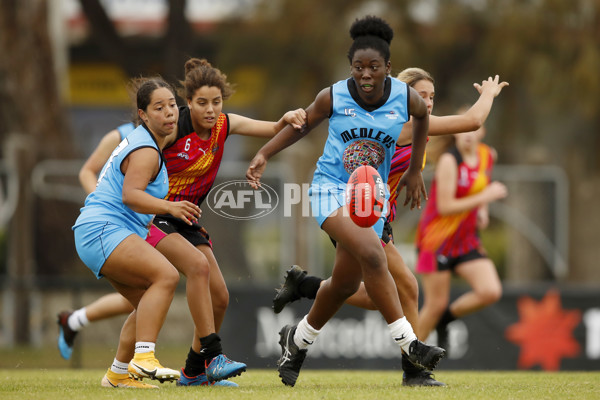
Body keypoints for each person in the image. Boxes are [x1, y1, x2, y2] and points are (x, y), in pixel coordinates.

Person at [61, 59, 307, 387]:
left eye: (216, 102)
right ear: (187, 103)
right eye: (200, 103)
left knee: (212, 296)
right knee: (187, 271)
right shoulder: (162, 135)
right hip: (156, 217)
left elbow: (274, 128)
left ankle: (169, 372)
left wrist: (286, 118)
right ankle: (205, 354)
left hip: (179, 217)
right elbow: (130, 189)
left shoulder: (217, 125)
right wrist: (167, 204)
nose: (209, 110)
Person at [270, 69, 508, 386]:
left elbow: (460, 130)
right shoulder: (400, 125)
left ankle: (300, 314)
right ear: (402, 95)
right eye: (421, 95)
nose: (428, 102)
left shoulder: (418, 127)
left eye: (432, 97)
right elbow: (472, 121)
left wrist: (415, 170)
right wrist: (488, 95)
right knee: (406, 288)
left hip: (378, 216)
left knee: (357, 291)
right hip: (356, 211)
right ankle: (414, 369)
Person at [246, 16, 445, 388]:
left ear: (389, 68)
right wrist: (265, 153)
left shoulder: (407, 98)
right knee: (373, 253)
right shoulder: (333, 95)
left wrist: (416, 169)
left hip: (371, 196)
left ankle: (297, 340)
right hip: (329, 188)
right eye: (358, 68)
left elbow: (422, 120)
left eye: (374, 67)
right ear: (349, 67)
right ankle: (410, 346)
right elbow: (301, 125)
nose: (365, 75)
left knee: (342, 285)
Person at [72, 77, 201, 388]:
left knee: (144, 301)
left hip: (96, 230)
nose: (169, 113)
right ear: (143, 115)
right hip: (103, 228)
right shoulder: (146, 150)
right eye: (159, 108)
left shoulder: (146, 142)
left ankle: (117, 374)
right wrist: (171, 208)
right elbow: (131, 195)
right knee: (167, 276)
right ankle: (143, 358)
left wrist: (177, 214)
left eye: (172, 105)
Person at [415, 117, 508, 351]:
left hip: (466, 240)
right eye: (463, 129)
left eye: (473, 128)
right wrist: (485, 199)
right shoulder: (449, 160)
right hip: (436, 240)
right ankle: (410, 359)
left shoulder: (488, 155)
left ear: (482, 131)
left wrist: (482, 210)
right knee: (434, 305)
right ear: (455, 133)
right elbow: (445, 207)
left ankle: (446, 318)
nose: (467, 133)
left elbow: (480, 184)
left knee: (490, 291)